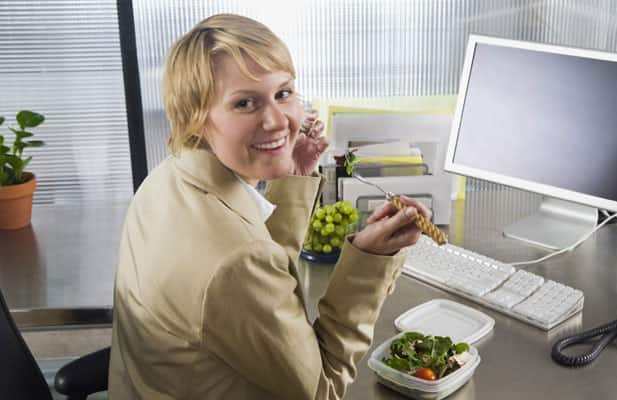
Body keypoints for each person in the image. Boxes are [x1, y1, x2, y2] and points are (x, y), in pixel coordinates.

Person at [108, 13, 430, 400]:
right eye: (245, 103)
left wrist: (290, 177)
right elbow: (322, 390)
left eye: (283, 93)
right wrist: (368, 261)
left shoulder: (164, 180)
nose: (278, 121)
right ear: (196, 119)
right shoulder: (235, 262)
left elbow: (254, 260)